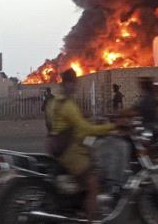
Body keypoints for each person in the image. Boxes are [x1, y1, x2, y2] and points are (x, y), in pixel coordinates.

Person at [49, 68, 115, 223]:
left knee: (92, 156)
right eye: (71, 83)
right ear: (66, 83)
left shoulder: (57, 101)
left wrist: (87, 121)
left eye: (73, 83)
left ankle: (79, 204)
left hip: (63, 144)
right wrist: (111, 127)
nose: (73, 86)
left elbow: (70, 124)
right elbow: (84, 128)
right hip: (70, 151)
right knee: (93, 183)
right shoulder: (67, 105)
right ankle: (91, 218)